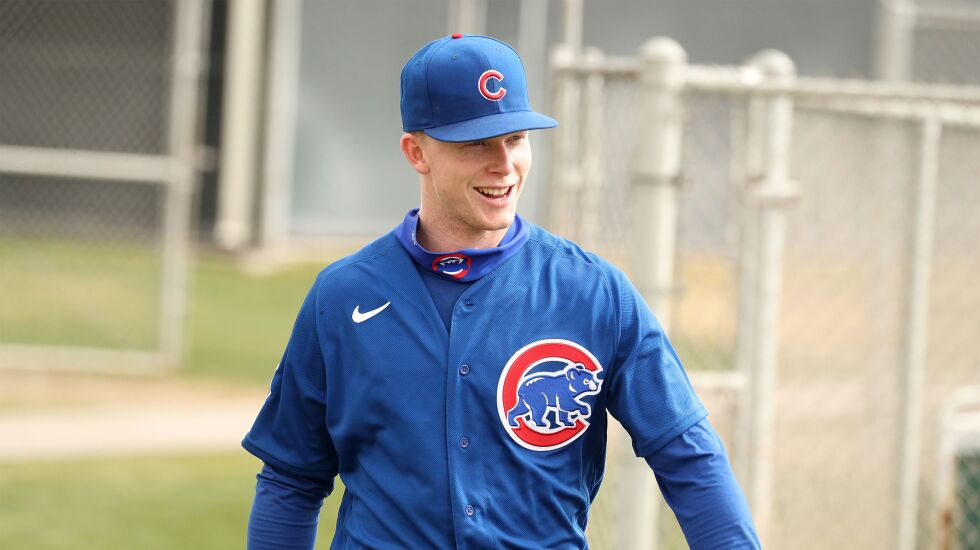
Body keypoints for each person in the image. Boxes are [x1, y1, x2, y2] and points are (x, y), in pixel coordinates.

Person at [243, 34, 760, 549]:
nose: (504, 164)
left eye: (515, 138)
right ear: (417, 152)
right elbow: (291, 478)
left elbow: (689, 457)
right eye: (476, 143)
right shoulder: (343, 297)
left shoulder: (593, 292)